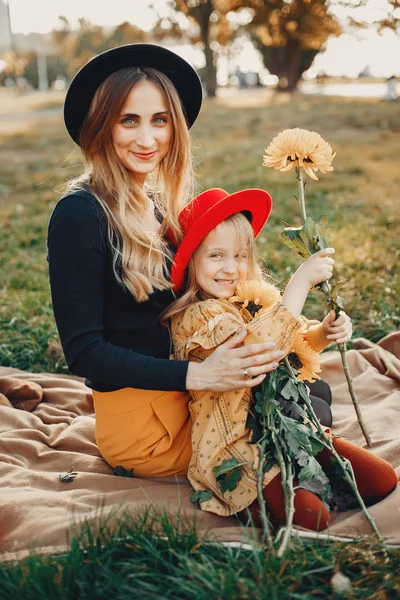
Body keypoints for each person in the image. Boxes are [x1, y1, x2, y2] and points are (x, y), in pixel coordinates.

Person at [47, 44, 286, 479]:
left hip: (195, 393)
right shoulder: (80, 214)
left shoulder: (154, 203)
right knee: (272, 441)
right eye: (128, 120)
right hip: (145, 423)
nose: (147, 138)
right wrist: (199, 375)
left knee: (305, 393)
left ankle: (312, 458)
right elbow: (84, 353)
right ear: (102, 127)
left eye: (159, 120)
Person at [164, 187, 398, 531]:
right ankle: (261, 499)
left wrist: (325, 331)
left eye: (240, 256)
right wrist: (300, 282)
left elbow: (294, 340)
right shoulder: (195, 316)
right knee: (311, 519)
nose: (231, 268)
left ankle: (307, 472)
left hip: (287, 426)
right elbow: (257, 349)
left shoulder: (249, 301)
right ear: (191, 261)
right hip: (237, 447)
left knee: (382, 479)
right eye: (216, 256)